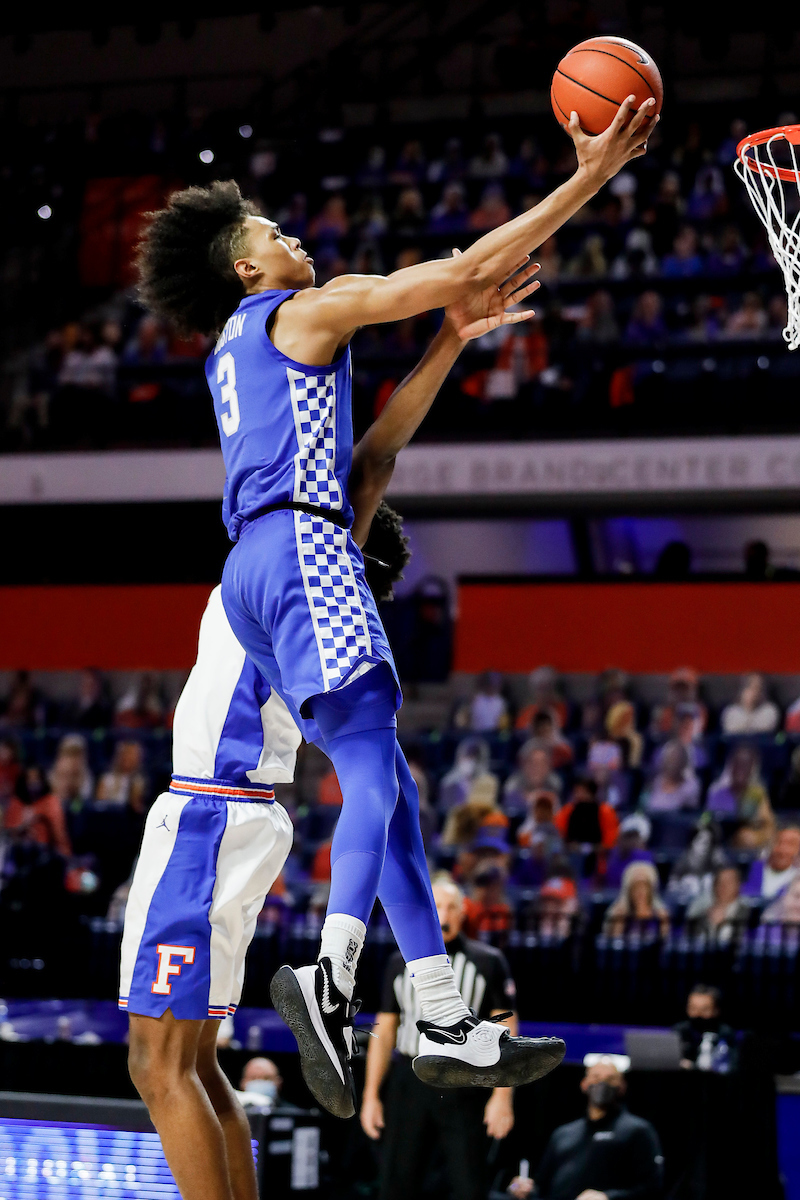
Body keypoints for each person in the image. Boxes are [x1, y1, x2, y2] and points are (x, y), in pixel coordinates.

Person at [136, 99, 649, 1143]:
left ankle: (441, 1007)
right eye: (272, 236)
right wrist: (588, 179)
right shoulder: (302, 313)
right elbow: (456, 271)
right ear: (245, 271)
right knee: (370, 773)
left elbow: (367, 464)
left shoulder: (246, 350)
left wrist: (451, 345)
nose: (294, 241)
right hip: (298, 554)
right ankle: (330, 980)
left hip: (263, 565)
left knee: (388, 777)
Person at [121, 237, 568, 1200]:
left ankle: (346, 982)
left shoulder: (284, 569)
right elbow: (373, 459)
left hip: (208, 813)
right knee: (193, 1067)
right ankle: (438, 1004)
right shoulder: (310, 571)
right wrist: (447, 344)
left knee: (159, 1070)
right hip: (247, 817)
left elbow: (360, 473)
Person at [361, 877, 519, 1200]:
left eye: (450, 907)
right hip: (410, 1078)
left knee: (468, 1183)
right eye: (436, 906)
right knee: (397, 1182)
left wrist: (502, 1097)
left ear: (463, 913)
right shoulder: (398, 962)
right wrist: (371, 1095)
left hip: (465, 1080)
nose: (443, 914)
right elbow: (384, 1031)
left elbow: (508, 1032)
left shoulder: (488, 962)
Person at [504, 1058, 663, 1200]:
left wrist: (608, 1197)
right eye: (596, 1077)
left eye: (610, 1079)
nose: (602, 1083)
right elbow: (540, 1185)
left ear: (622, 1086)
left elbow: (651, 1187)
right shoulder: (564, 1133)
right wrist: (520, 1188)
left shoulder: (636, 1130)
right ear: (584, 1084)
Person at [706, 744, 776, 849]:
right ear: (731, 765)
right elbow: (708, 821)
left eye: (746, 764)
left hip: (748, 845)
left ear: (752, 767)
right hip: (718, 843)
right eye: (737, 764)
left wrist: (754, 837)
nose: (740, 769)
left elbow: (767, 825)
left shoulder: (757, 793)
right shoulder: (717, 792)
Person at [674, 985, 738, 1072]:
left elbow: (733, 1065)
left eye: (705, 1010)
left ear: (716, 1010)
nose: (698, 1014)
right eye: (693, 1008)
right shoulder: (679, 1033)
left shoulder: (726, 1034)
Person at [603, 861, 670, 939]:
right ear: (628, 889)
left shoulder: (660, 915)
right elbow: (614, 944)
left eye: (644, 886)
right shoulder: (617, 913)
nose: (640, 891)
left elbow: (664, 943)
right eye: (636, 886)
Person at [555, 777, 619, 851]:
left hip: (599, 854)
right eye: (577, 792)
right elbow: (558, 833)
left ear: (592, 793)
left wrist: (597, 848)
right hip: (571, 854)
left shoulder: (605, 811)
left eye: (584, 792)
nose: (580, 795)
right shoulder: (567, 811)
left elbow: (611, 839)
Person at [686, 866, 748, 941]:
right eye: (719, 881)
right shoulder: (700, 915)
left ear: (738, 885)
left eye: (728, 882)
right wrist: (709, 923)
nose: (723, 886)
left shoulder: (749, 914)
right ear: (714, 885)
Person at [740, 825, 800, 900]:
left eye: (791, 844)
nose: (782, 850)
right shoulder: (749, 868)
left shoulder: (797, 878)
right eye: (778, 842)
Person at [641, 740, 700, 813]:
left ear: (683, 762)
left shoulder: (690, 786)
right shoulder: (656, 782)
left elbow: (689, 815)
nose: (673, 763)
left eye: (676, 758)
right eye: (670, 758)